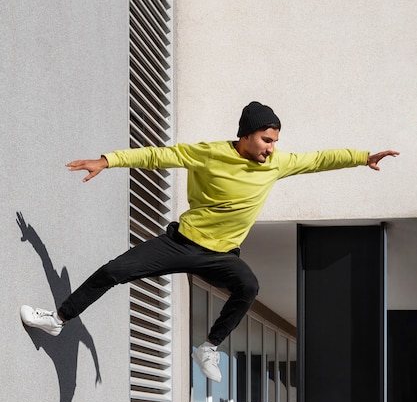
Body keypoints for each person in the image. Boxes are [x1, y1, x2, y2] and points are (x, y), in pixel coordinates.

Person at [20, 101, 399, 382]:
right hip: (181, 243)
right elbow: (158, 155)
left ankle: (208, 348)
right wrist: (108, 160)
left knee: (248, 284)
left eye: (275, 141)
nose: (271, 148)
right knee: (114, 270)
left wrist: (363, 157)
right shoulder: (209, 154)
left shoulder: (277, 164)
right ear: (246, 135)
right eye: (266, 140)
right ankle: (58, 318)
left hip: (221, 256)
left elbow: (318, 160)